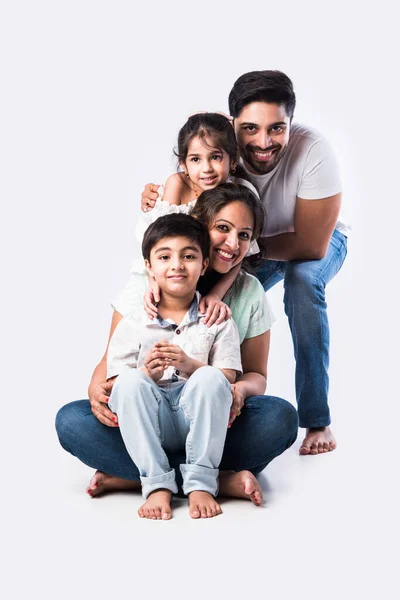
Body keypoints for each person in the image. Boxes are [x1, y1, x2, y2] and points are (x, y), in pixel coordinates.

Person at [55, 184, 299, 517]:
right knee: (72, 421)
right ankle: (210, 481)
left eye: (244, 235)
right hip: (147, 416)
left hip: (214, 419)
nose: (232, 243)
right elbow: (112, 369)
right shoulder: (145, 291)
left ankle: (145, 479)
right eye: (223, 229)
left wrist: (235, 389)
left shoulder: (232, 307)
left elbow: (247, 376)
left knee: (280, 418)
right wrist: (104, 392)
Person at [142, 70, 350, 456]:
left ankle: (316, 419)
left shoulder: (314, 151)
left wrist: (232, 252)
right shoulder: (216, 154)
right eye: (251, 128)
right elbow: (179, 224)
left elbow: (312, 243)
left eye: (277, 128)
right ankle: (188, 402)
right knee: (209, 301)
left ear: (290, 123)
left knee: (303, 284)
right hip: (243, 242)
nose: (264, 141)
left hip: (313, 238)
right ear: (233, 124)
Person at [106, 213, 242, 520]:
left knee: (216, 382)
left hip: (200, 421)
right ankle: (157, 484)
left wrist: (191, 365)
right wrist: (146, 375)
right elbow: (115, 388)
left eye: (189, 256)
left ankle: (200, 483)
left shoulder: (218, 320)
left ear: (204, 265)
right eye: (164, 257)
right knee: (119, 389)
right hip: (151, 423)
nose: (177, 265)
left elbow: (226, 381)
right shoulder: (133, 324)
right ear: (149, 267)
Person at [134, 112, 260, 325]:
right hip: (168, 261)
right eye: (195, 159)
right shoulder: (177, 184)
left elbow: (239, 256)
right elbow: (162, 240)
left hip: (213, 271)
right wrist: (153, 281)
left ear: (232, 160)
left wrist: (216, 294)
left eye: (216, 157)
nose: (207, 168)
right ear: (183, 163)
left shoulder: (241, 193)